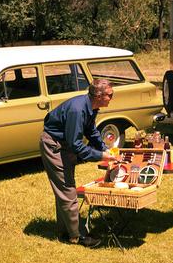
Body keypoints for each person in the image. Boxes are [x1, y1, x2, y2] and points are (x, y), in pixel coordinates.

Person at [40, 78, 117, 248]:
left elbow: (91, 130)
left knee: (64, 189)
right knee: (67, 189)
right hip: (54, 146)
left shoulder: (91, 106)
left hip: (64, 144)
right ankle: (77, 236)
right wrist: (101, 155)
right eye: (110, 95)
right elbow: (76, 144)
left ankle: (64, 230)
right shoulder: (77, 110)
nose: (112, 98)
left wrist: (104, 147)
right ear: (98, 95)